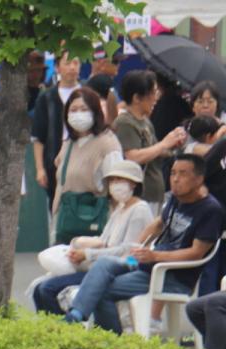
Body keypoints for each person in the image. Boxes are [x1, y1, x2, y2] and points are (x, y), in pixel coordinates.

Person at [64, 154, 223, 334]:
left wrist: (155, 256)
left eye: (183, 174)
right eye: (172, 173)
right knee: (104, 263)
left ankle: (111, 339)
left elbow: (196, 253)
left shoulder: (211, 210)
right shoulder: (177, 198)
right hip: (145, 264)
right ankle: (76, 314)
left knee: (103, 290)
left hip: (170, 276)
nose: (175, 179)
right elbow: (158, 224)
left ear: (199, 179)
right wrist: (137, 246)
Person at [31, 160, 152, 315]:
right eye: (112, 180)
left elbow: (127, 252)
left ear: (134, 183)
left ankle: (67, 331)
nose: (114, 184)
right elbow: (104, 240)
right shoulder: (121, 208)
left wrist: (87, 254)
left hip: (115, 270)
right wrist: (79, 245)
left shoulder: (139, 210)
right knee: (38, 289)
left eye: (119, 180)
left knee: (47, 289)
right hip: (97, 265)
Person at [51, 86, 122, 243]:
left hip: (96, 221)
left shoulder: (107, 143)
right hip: (64, 221)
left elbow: (117, 185)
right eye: (73, 110)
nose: (78, 114)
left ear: (95, 111)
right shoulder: (68, 144)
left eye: (84, 109)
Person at [114, 70, 187, 210]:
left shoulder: (145, 121)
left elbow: (154, 150)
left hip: (154, 193)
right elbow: (132, 156)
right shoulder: (125, 122)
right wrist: (165, 143)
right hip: (140, 196)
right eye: (152, 93)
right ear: (136, 98)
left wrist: (172, 145)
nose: (156, 98)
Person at [32, 52, 83, 206]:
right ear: (57, 67)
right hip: (54, 159)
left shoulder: (87, 93)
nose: (72, 67)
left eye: (76, 63)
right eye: (67, 63)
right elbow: (38, 137)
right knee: (56, 206)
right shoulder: (46, 97)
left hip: (83, 158)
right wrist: (39, 168)